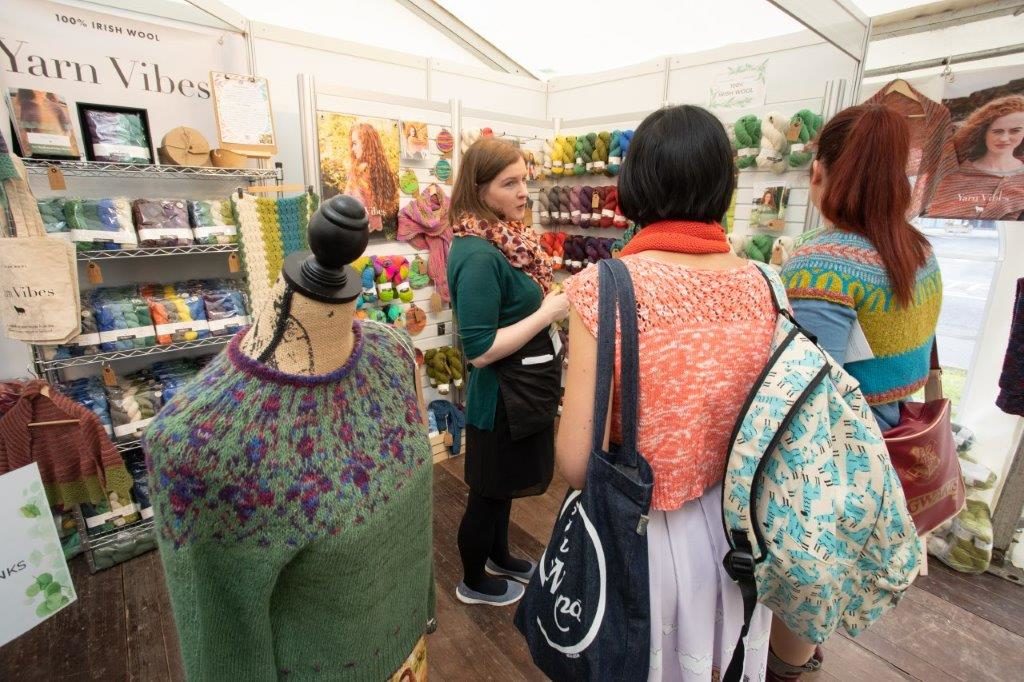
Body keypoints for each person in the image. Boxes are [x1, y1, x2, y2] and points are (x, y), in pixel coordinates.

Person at [558, 104, 776, 681]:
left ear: (634, 183)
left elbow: (578, 464)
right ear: (724, 184)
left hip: (648, 541)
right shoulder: (768, 285)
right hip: (742, 534)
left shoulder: (605, 288)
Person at [776, 104, 942, 679]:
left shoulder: (821, 263)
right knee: (842, 558)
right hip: (895, 437)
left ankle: (787, 662)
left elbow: (805, 388)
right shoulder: (919, 251)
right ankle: (805, 647)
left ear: (822, 171)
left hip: (836, 453)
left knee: (807, 564)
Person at [447, 138, 568, 607]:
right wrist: (549, 311)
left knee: (501, 488)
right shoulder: (479, 254)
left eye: (525, 179)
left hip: (521, 392)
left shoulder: (507, 239)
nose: (524, 192)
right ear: (479, 190)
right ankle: (472, 580)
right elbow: (478, 349)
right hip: (499, 398)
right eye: (509, 183)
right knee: (486, 491)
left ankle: (498, 555)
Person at [926, 95, 1024, 220]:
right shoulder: (954, 176)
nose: (1004, 139)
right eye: (997, 131)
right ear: (984, 132)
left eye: (1015, 131)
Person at [345, 121, 400, 234]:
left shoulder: (360, 171)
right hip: (375, 229)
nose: (352, 149)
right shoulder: (379, 171)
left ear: (366, 144)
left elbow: (353, 203)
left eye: (355, 143)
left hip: (359, 230)